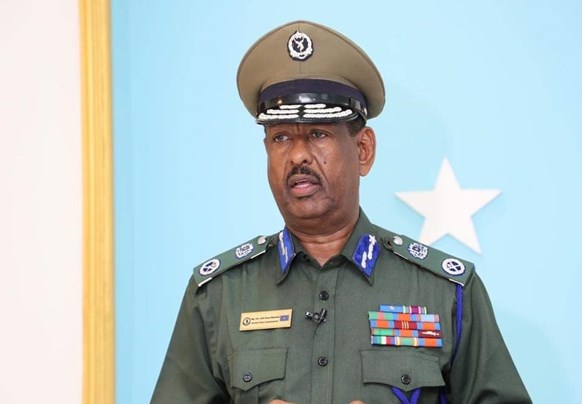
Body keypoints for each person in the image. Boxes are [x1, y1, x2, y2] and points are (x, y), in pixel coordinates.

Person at [151, 20, 531, 404]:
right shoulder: (218, 296)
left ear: (363, 150)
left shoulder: (445, 292)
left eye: (318, 134)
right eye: (280, 137)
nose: (297, 156)